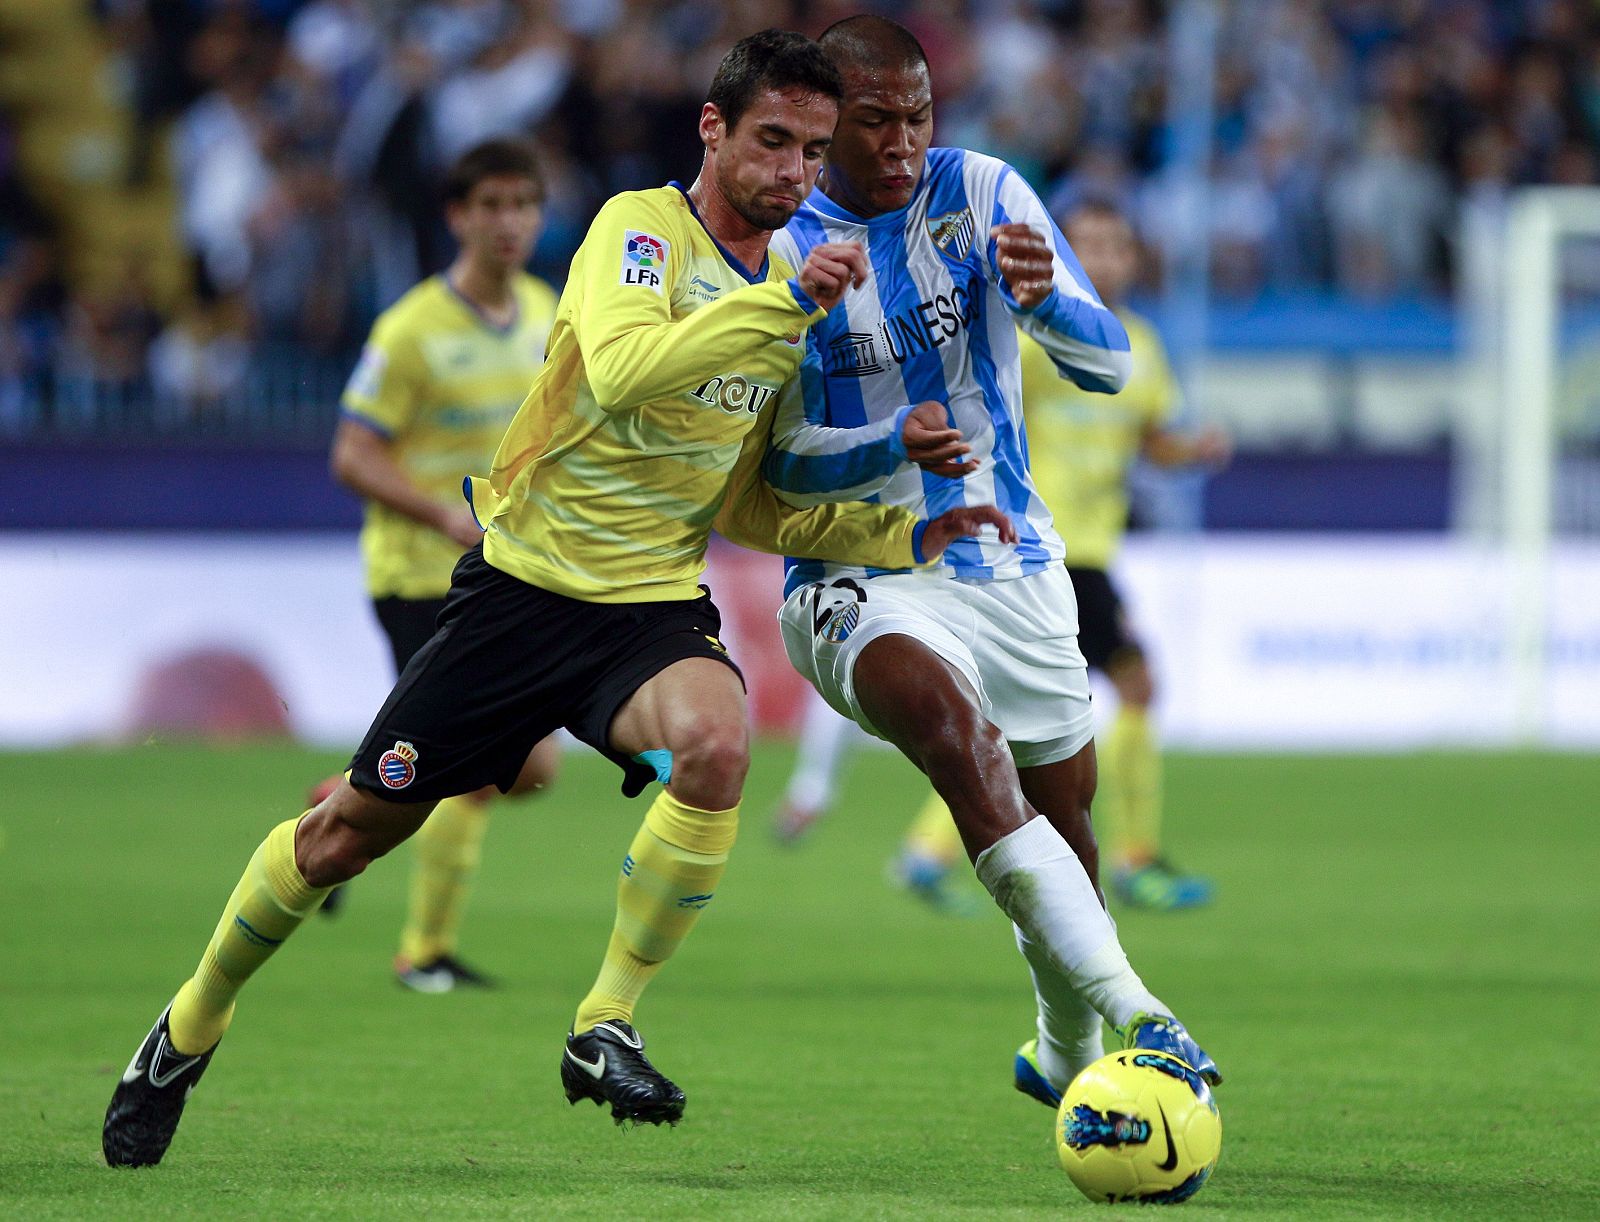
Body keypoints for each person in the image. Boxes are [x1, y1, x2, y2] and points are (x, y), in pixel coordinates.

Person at [102, 28, 1010, 1167]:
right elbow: (629, 370)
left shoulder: (790, 295)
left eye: (814, 151)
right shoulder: (638, 233)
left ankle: (605, 1021)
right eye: (772, 140)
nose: (793, 171)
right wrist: (788, 311)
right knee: (342, 836)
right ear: (713, 129)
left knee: (718, 745)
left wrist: (904, 525)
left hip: (646, 609)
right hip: (517, 597)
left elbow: (748, 504)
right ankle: (189, 1025)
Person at [763, 15, 1221, 1111]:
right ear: (825, 125)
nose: (905, 143)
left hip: (1009, 561)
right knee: (958, 742)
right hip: (854, 573)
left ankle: (1061, 1046)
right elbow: (772, 468)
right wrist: (887, 447)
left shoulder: (985, 193)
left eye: (919, 117)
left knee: (1067, 829)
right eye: (877, 121)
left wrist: (1047, 301)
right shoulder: (775, 246)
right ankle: (1147, 1019)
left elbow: (1110, 363)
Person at [314, 137, 564, 990]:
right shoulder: (412, 328)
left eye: (523, 204)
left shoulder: (548, 313)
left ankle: (333, 805)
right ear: (457, 216)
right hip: (420, 570)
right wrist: (439, 514)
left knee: (524, 767)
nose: (509, 222)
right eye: (490, 205)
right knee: (475, 763)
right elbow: (353, 454)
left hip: (509, 573)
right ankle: (424, 953)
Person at [1019, 199, 1231, 910]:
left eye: (1116, 245)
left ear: (1134, 258)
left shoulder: (1140, 346)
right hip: (1043, 547)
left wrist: (1192, 448)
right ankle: (1135, 859)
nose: (1103, 259)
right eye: (1087, 245)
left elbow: (1154, 443)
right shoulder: (1028, 338)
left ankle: (928, 853)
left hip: (1093, 551)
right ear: (1061, 255)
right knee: (1130, 686)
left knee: (1042, 712)